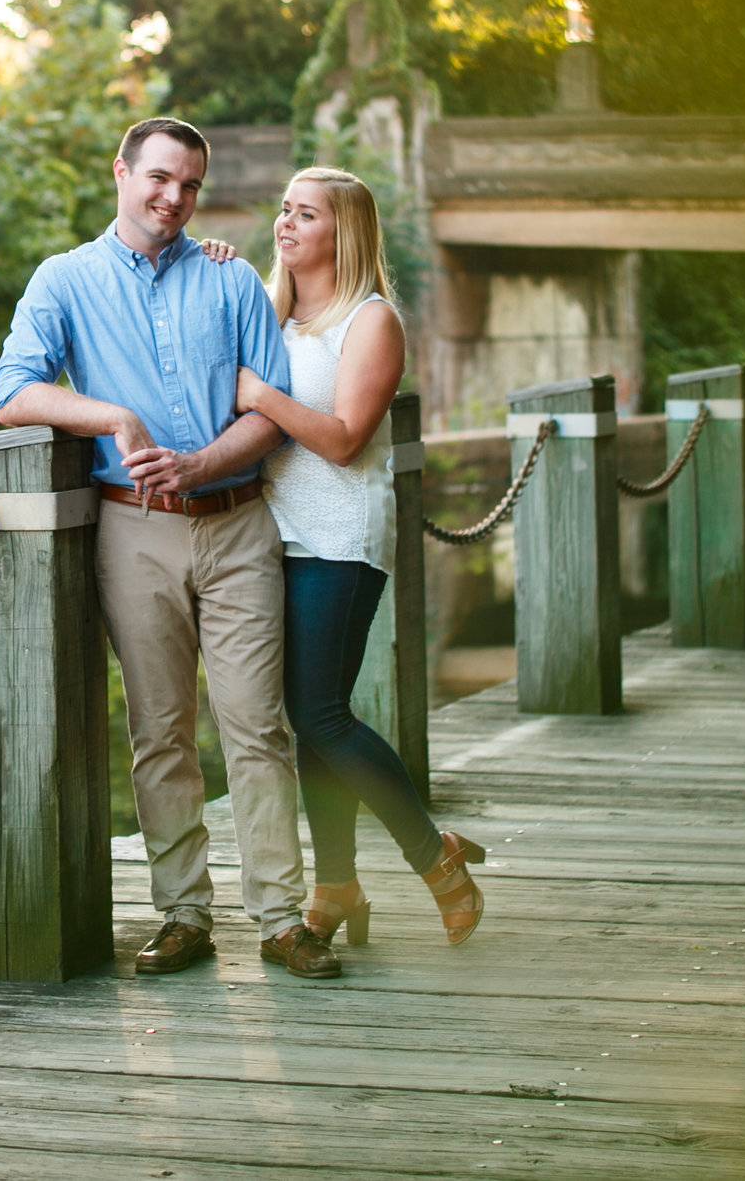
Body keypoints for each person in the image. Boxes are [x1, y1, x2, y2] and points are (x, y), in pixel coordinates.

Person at [0, 117, 343, 981]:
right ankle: (184, 913)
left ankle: (279, 917)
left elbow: (272, 415)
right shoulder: (64, 279)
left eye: (189, 185)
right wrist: (111, 416)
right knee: (159, 731)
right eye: (158, 178)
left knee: (257, 727)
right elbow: (12, 391)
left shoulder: (230, 283)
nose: (173, 198)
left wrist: (195, 464)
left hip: (236, 526)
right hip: (130, 531)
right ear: (120, 171)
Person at [203, 167, 491, 948]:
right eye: (284, 211)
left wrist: (260, 395)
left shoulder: (371, 321)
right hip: (270, 534)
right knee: (308, 721)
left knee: (323, 714)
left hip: (338, 538)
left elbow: (343, 437)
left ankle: (437, 859)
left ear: (344, 232)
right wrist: (213, 265)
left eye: (305, 214)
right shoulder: (276, 312)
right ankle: (336, 886)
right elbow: (207, 346)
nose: (285, 225)